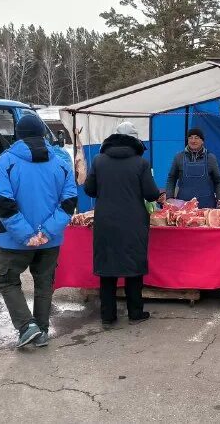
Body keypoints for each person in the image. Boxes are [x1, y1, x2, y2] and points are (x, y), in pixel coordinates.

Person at [0, 114, 77, 348]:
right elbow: (69, 202)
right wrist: (47, 232)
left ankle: (27, 327)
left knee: (7, 280)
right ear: (43, 133)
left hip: (14, 241)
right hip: (50, 240)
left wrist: (27, 235)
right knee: (43, 282)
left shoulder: (6, 161)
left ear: (18, 135)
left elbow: (3, 202)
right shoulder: (61, 161)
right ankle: (41, 329)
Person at [84, 122, 162, 328]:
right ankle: (135, 312)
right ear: (135, 141)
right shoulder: (140, 163)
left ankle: (108, 316)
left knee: (107, 269)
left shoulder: (99, 160)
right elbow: (151, 194)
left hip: (105, 222)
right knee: (133, 267)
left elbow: (89, 190)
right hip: (133, 222)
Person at [165, 128, 220, 208]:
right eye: (190, 137)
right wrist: (169, 197)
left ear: (202, 141)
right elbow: (171, 179)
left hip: (207, 206)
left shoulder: (211, 158)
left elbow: (218, 181)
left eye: (197, 138)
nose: (193, 141)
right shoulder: (178, 157)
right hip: (183, 206)